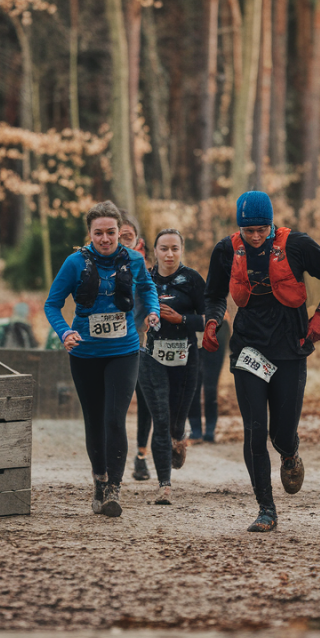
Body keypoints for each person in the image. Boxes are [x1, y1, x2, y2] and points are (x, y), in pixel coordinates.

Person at [203, 191, 320, 532]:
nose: (255, 236)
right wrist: (212, 320)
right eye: (249, 230)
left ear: (271, 224)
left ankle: (290, 452)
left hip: (289, 348)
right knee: (254, 431)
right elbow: (214, 294)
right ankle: (266, 509)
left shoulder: (297, 245)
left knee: (281, 432)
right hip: (249, 349)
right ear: (240, 227)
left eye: (262, 229)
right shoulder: (225, 250)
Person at [44, 201, 159, 518]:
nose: (106, 239)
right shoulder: (74, 263)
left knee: (114, 417)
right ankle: (100, 478)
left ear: (120, 232)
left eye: (111, 232)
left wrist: (152, 311)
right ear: (90, 234)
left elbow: (148, 288)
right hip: (85, 353)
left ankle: (114, 489)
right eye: (99, 233)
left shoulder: (134, 260)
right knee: (94, 419)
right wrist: (65, 332)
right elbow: (52, 305)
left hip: (124, 351)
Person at [135, 229, 207, 504]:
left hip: (186, 358)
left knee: (176, 422)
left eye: (174, 249)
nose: (169, 254)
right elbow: (130, 312)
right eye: (163, 248)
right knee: (161, 420)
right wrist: (140, 322)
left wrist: (182, 320)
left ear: (181, 250)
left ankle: (181, 435)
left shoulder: (191, 280)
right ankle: (164, 485)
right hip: (151, 357)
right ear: (154, 251)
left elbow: (212, 320)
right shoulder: (144, 280)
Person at [119, 215, 155, 482]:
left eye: (127, 237)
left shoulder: (146, 270)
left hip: (141, 342)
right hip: (111, 344)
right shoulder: (96, 267)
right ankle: (112, 455)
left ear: (139, 241)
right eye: (117, 236)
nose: (121, 242)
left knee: (145, 400)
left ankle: (141, 456)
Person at [187, 319, 228, 442]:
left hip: (216, 327)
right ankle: (196, 430)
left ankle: (210, 431)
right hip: (193, 327)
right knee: (193, 383)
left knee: (211, 386)